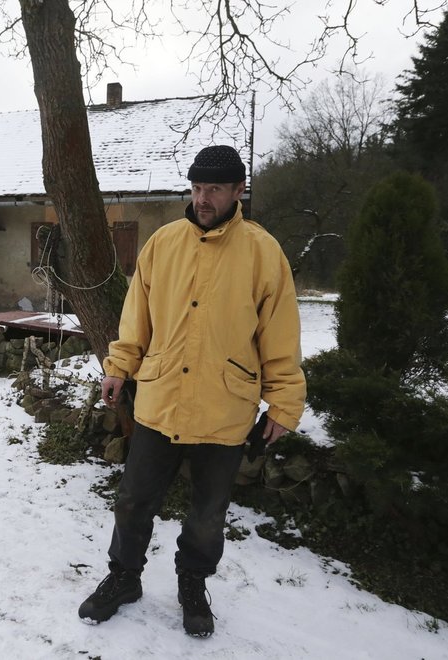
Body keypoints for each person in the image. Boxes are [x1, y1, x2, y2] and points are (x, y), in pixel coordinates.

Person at [78, 145, 306, 637]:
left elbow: (280, 336)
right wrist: (119, 366)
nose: (202, 199)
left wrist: (285, 403)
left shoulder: (263, 253)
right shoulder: (163, 243)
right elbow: (136, 317)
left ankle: (192, 585)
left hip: (224, 411)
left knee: (207, 515)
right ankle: (124, 578)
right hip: (161, 403)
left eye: (214, 189)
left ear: (238, 191)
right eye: (197, 188)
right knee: (134, 501)